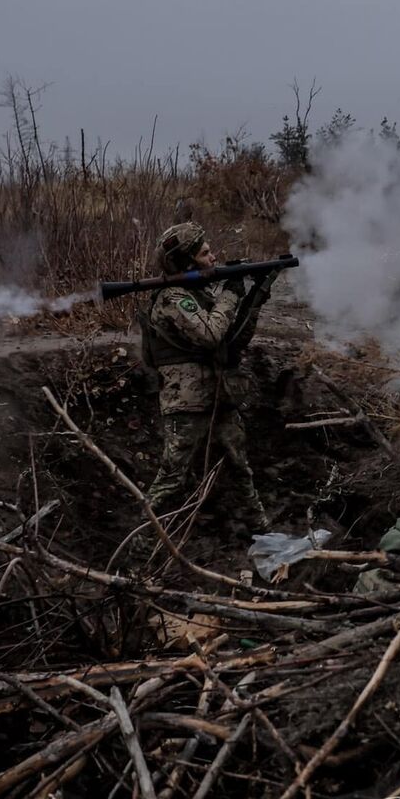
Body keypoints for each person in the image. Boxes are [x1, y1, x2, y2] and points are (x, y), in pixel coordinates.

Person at [132, 220, 279, 558]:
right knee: (171, 480)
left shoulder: (196, 293)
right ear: (187, 262)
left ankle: (263, 533)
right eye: (205, 253)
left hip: (217, 395)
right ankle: (139, 548)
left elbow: (230, 341)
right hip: (185, 404)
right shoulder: (173, 297)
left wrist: (254, 293)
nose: (213, 257)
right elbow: (210, 334)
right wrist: (230, 292)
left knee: (241, 468)